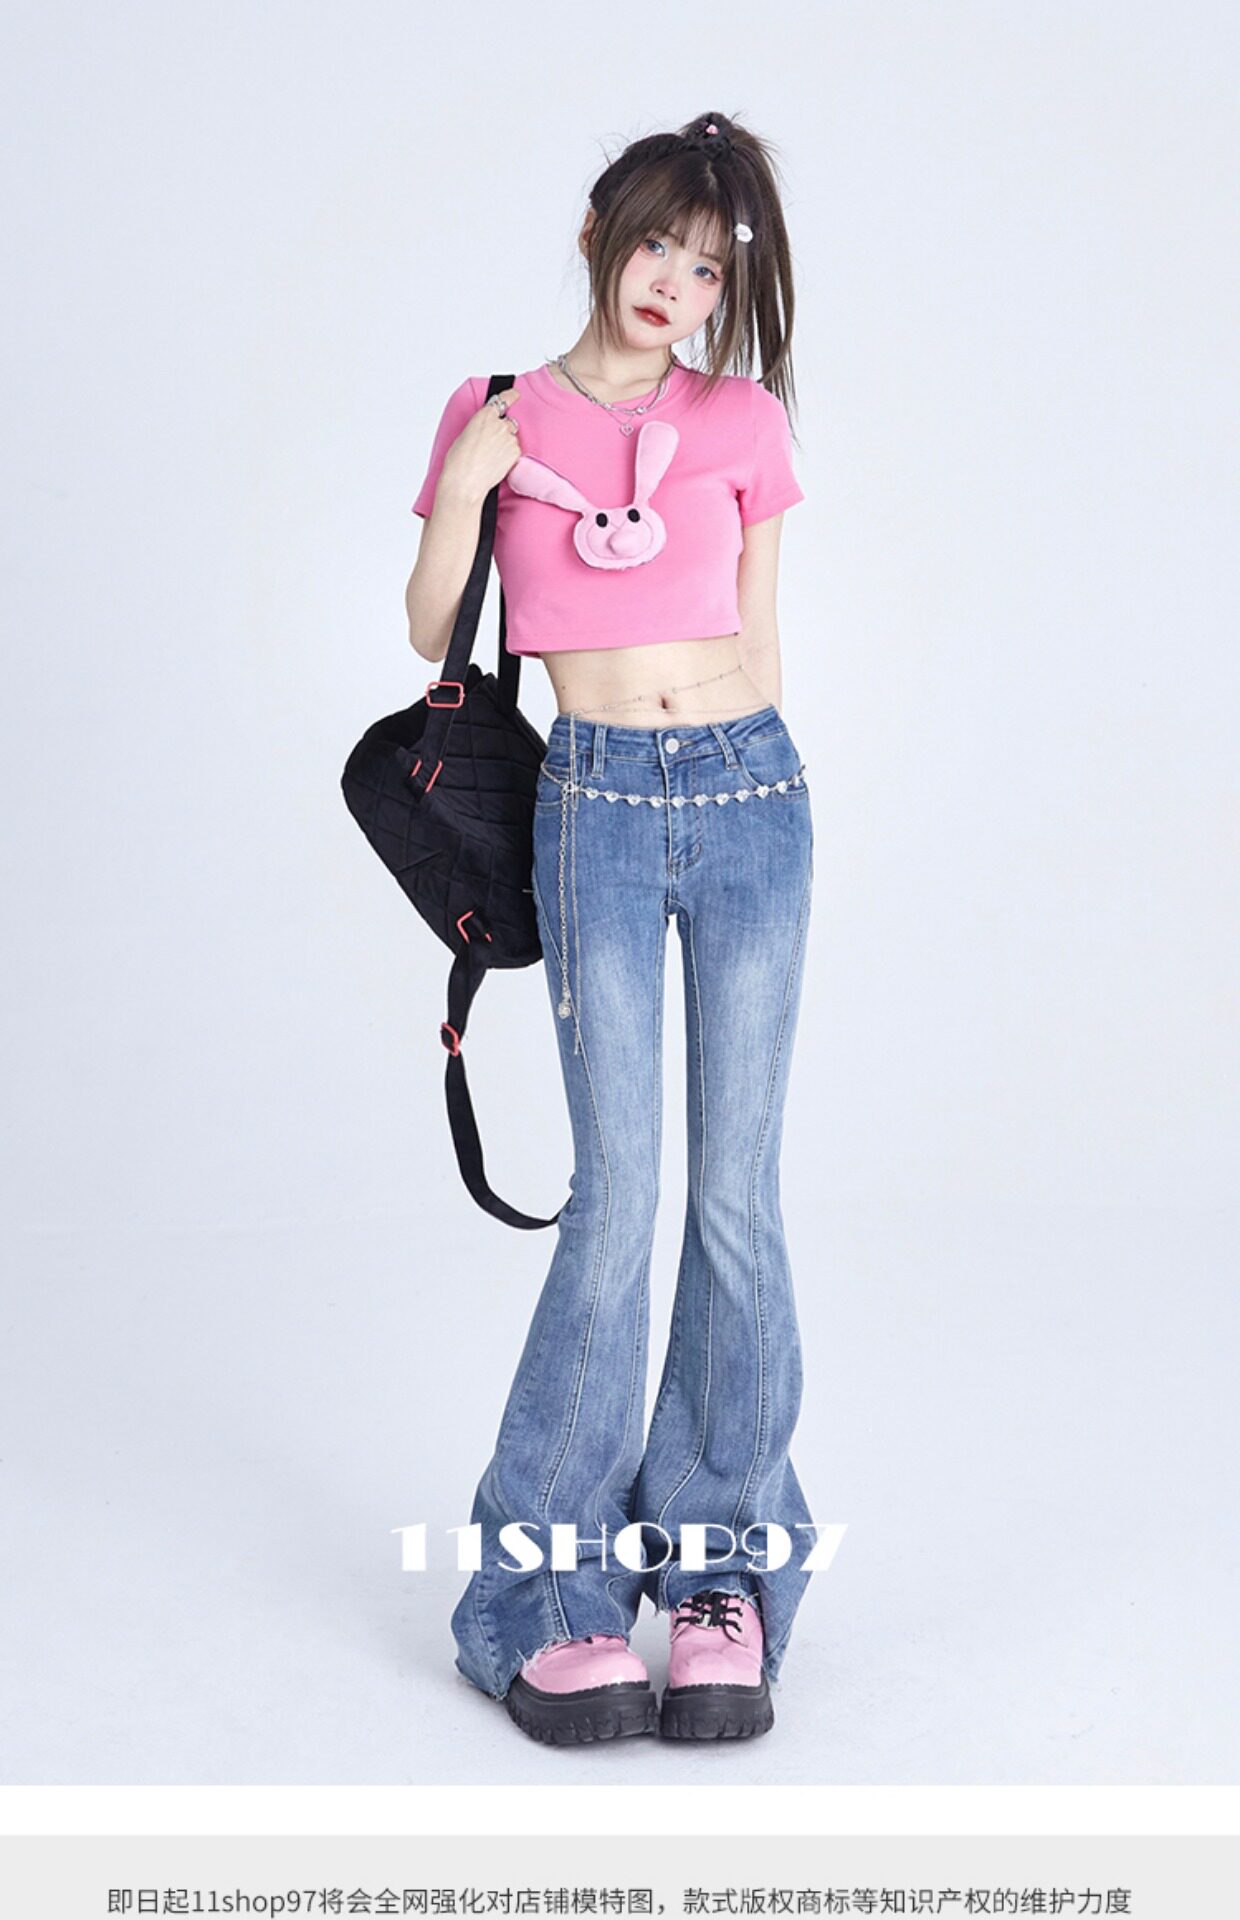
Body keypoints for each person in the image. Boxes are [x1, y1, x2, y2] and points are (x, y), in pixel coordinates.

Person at [406, 111, 815, 1745]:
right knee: (619, 1199)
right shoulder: (497, 410)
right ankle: (545, 1599)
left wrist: (737, 761)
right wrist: (467, 486)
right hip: (592, 802)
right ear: (599, 233)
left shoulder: (743, 419)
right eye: (659, 246)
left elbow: (762, 640)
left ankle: (720, 1576)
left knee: (735, 1201)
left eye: (710, 270)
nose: (678, 286)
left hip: (751, 792)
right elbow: (431, 627)